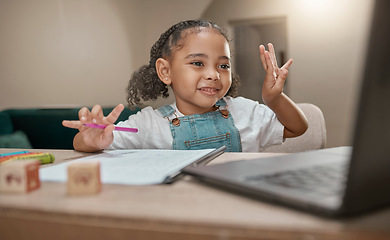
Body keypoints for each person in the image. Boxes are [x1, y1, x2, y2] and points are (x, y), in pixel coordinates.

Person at [62, 19, 308, 153]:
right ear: (165, 71)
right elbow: (82, 144)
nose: (213, 74)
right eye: (198, 63)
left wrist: (274, 100)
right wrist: (91, 140)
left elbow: (298, 128)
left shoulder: (245, 112)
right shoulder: (148, 125)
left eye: (223, 66)